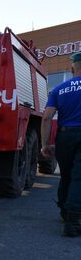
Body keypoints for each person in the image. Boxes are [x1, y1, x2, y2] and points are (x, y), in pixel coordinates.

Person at [41, 52, 81, 237]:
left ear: (73, 68)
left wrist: (45, 144)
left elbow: (47, 117)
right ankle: (73, 222)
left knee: (65, 176)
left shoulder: (59, 89)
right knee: (78, 178)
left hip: (64, 137)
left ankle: (65, 212)